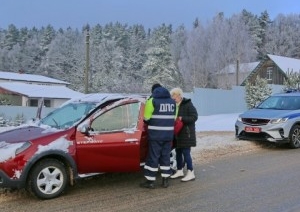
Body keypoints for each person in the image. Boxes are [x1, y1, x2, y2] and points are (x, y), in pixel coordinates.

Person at [140, 84, 176, 189]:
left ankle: (150, 181)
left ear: (153, 91)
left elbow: (146, 118)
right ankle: (165, 180)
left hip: (156, 135)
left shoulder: (152, 101)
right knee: (165, 156)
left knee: (153, 157)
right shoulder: (172, 102)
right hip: (168, 135)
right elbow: (174, 118)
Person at [170, 87, 198, 182]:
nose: (173, 99)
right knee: (178, 152)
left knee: (186, 152)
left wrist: (183, 118)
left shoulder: (188, 104)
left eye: (175, 97)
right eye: (172, 97)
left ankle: (191, 172)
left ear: (179, 96)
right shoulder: (174, 105)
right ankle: (179, 170)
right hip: (178, 133)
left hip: (186, 133)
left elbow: (194, 117)